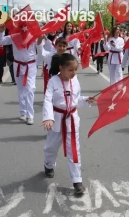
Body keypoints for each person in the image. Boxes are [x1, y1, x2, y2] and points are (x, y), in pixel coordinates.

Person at [42, 53, 96, 195]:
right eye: (70, 70)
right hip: (56, 119)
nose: (73, 73)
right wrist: (48, 117)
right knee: (51, 147)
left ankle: (77, 180)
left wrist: (86, 100)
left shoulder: (75, 81)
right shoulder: (53, 81)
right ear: (61, 68)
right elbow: (47, 99)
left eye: (75, 70)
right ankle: (48, 165)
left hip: (72, 120)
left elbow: (75, 100)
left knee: (74, 150)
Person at [0, 24, 37, 125]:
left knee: (30, 89)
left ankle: (30, 115)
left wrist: (42, 38)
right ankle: (23, 112)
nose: (24, 27)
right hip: (18, 65)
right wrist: (1, 31)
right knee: (21, 89)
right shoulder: (14, 37)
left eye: (26, 25)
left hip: (30, 66)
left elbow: (42, 49)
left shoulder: (34, 36)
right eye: (22, 25)